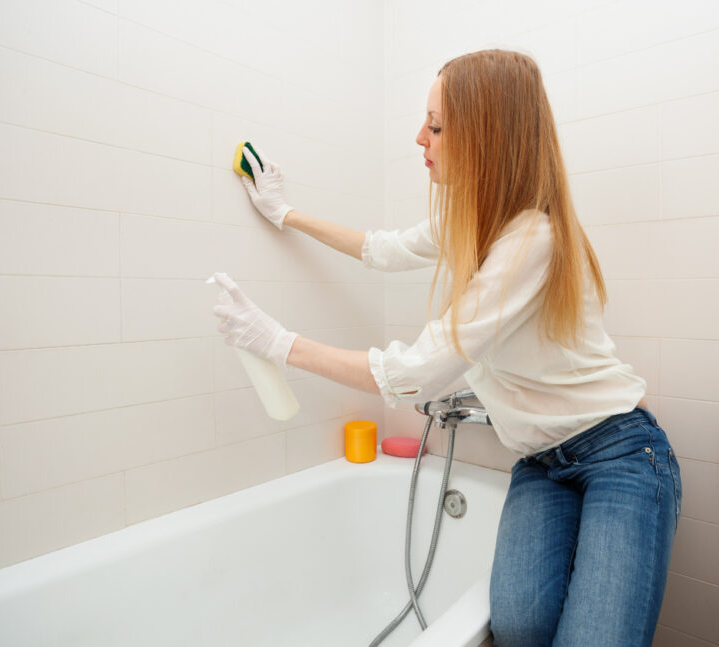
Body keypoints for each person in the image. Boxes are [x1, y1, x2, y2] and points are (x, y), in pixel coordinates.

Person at [212, 49, 681, 647]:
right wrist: (285, 213)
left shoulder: (531, 238)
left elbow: (416, 375)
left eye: (435, 125)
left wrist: (276, 343)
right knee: (519, 628)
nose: (419, 138)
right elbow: (380, 249)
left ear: (485, 134)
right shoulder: (470, 217)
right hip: (540, 463)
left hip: (616, 452)